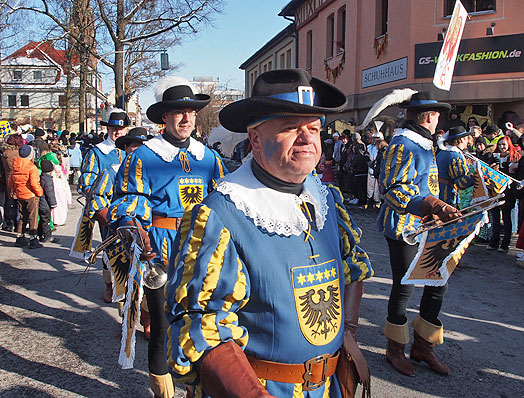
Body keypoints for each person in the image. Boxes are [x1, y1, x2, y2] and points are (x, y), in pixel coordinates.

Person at [165, 69, 373, 398]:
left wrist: (347, 332)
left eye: (314, 128)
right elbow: (199, 324)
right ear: (256, 139)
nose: (307, 139)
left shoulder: (327, 201)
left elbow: (353, 266)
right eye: (291, 127)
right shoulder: (218, 216)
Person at [108, 76, 227, 398]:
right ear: (165, 117)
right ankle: (163, 393)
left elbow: (224, 201)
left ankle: (195, 388)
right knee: (161, 326)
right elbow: (128, 199)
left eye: (190, 112)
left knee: (202, 323)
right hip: (159, 248)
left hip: (203, 250)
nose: (186, 118)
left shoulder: (209, 158)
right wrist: (133, 227)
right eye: (178, 113)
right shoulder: (143, 157)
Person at [378, 91, 461, 377]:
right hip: (404, 228)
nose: (439, 120)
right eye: (438, 115)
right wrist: (432, 204)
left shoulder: (425, 144)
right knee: (405, 287)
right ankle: (394, 349)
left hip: (429, 226)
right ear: (429, 117)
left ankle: (423, 348)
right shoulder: (403, 144)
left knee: (438, 282)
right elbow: (393, 190)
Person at [75, 108, 129, 302]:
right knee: (111, 246)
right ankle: (110, 285)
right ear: (108, 129)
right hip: (107, 208)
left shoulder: (132, 150)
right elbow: (86, 184)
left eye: (121, 129)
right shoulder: (97, 152)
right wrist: (100, 207)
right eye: (114, 128)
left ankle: (128, 285)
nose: (117, 132)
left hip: (130, 209)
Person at [487, 136, 521, 253]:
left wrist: (507, 170)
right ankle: (494, 241)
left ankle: (505, 243)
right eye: (500, 144)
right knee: (495, 217)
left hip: (508, 192)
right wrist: (492, 169)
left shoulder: (514, 157)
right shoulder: (494, 157)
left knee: (506, 217)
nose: (502, 147)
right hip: (495, 191)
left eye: (504, 144)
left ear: (509, 145)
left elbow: (515, 176)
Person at [8, 145, 43, 249]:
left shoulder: (15, 166)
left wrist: (16, 190)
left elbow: (10, 182)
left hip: (19, 194)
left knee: (22, 216)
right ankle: (33, 238)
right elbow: (34, 183)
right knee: (33, 217)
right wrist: (39, 193)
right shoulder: (32, 167)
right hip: (31, 195)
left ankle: (20, 237)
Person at [436, 126, 475, 206]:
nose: (468, 141)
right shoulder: (455, 156)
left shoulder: (442, 153)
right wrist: (478, 176)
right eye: (466, 138)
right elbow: (461, 182)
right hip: (448, 196)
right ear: (461, 139)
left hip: (437, 193)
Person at [38, 159, 59, 243]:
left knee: (41, 220)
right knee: (46, 220)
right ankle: (47, 236)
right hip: (45, 204)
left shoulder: (41, 177)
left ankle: (40, 234)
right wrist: (53, 203)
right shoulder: (48, 180)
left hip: (41, 203)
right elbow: (50, 193)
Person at [366, 131, 384, 209]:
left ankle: (377, 202)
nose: (376, 140)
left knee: (377, 188)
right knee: (370, 186)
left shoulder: (383, 150)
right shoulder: (370, 147)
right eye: (375, 138)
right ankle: (369, 200)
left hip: (377, 169)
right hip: (371, 168)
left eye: (378, 138)